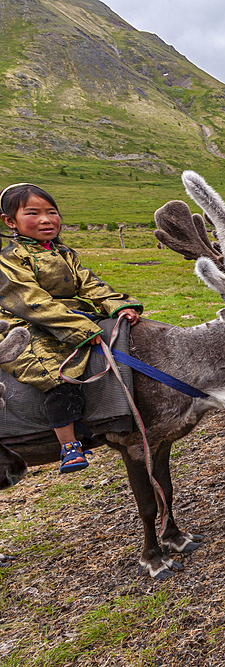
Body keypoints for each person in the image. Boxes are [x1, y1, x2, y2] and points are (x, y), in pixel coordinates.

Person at [0, 183, 142, 473]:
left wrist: (116, 304)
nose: (46, 219)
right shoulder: (9, 259)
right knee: (54, 371)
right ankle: (68, 444)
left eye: (52, 212)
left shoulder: (64, 252)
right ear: (10, 221)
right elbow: (31, 302)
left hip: (68, 315)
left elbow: (89, 283)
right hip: (24, 325)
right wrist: (80, 328)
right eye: (33, 213)